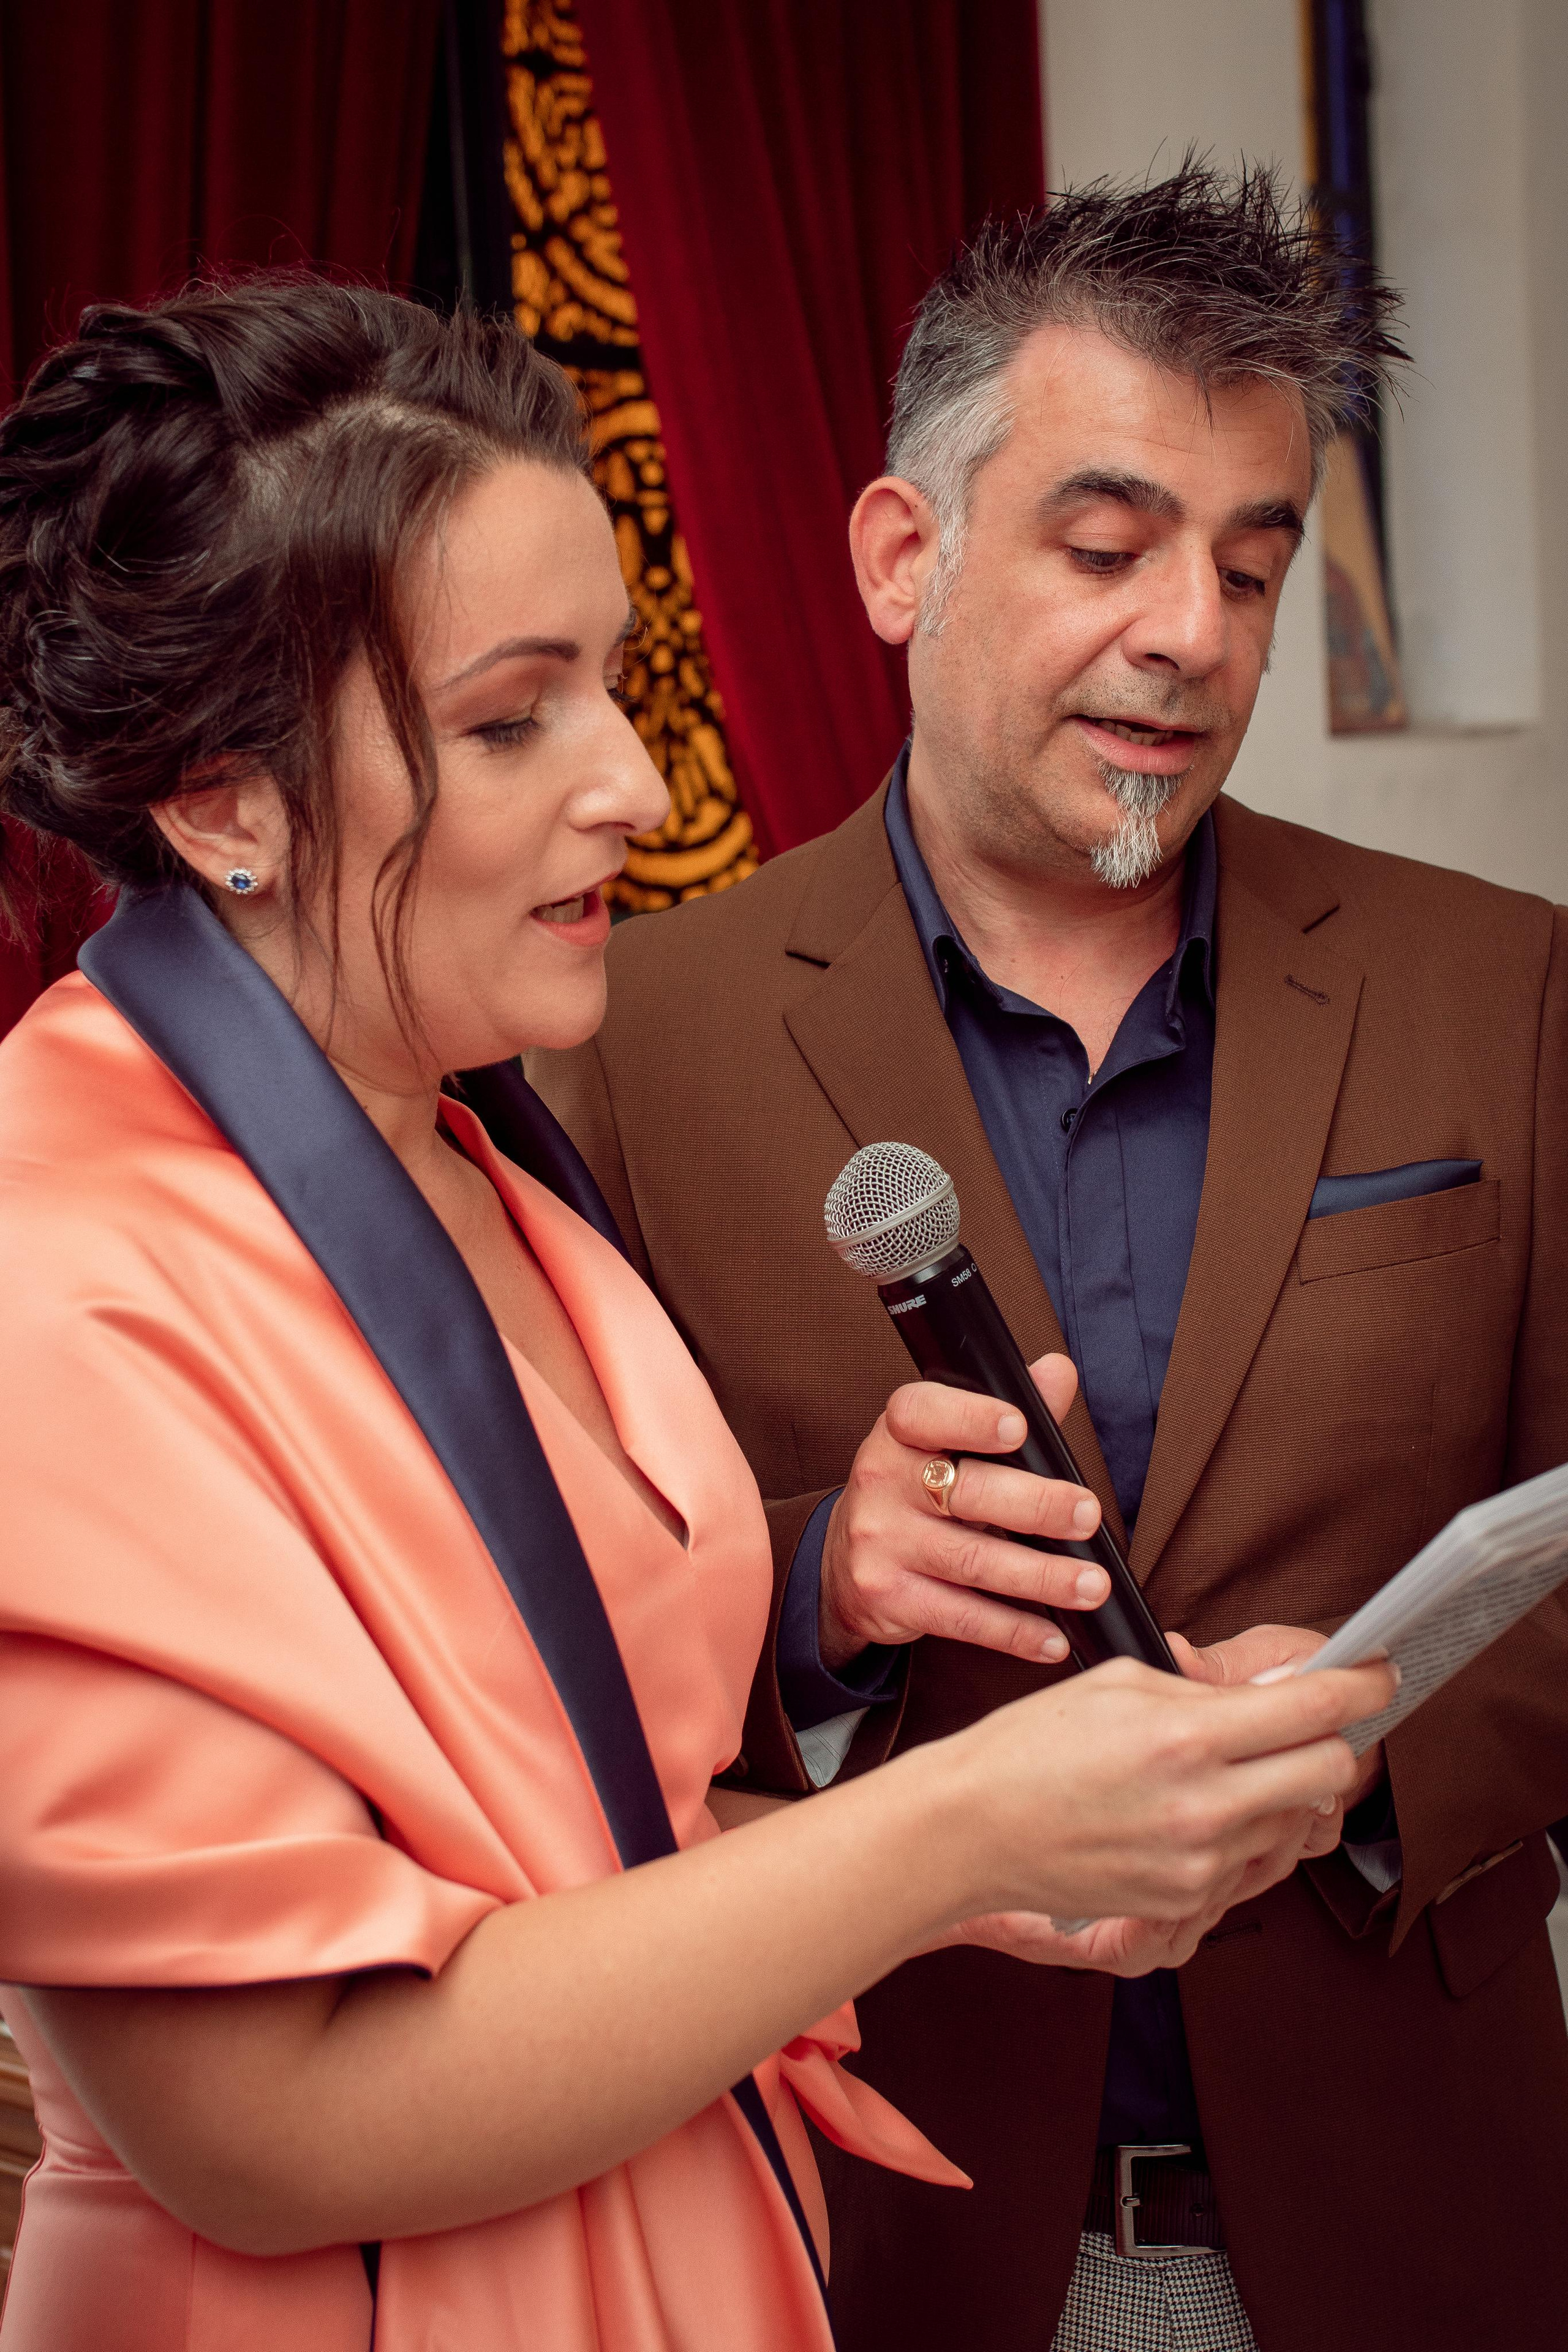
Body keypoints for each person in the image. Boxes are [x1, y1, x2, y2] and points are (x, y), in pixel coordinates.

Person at [0, 279, 1389, 2352]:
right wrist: (942, 1830)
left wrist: (986, 1869)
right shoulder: (65, 1261)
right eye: (508, 720)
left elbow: (605, 1826)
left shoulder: (480, 1157)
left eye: (614, 689)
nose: (640, 786)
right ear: (222, 802)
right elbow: (264, 2120)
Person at [529, 164, 1568, 2352]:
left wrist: (1371, 1739)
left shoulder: (1513, 990)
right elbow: (520, 1652)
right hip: (865, 2229)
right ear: (905, 559)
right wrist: (819, 1585)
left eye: (1250, 567)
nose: (1190, 631)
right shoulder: (622, 1043)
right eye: (1108, 548)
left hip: (1411, 2221)